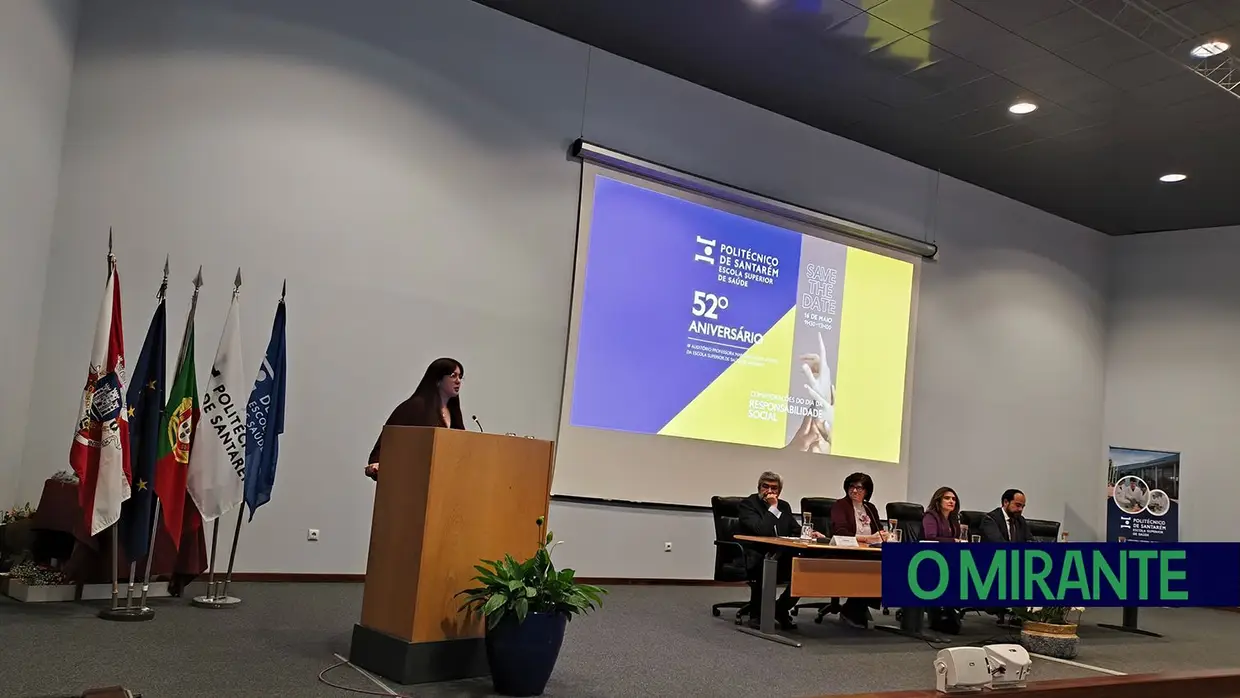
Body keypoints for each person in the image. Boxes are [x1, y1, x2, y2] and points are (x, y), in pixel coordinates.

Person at [737, 471, 825, 630]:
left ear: (780, 491)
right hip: (755, 553)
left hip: (781, 553)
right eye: (765, 486)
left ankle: (781, 608)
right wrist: (772, 508)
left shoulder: (784, 506)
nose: (769, 491)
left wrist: (809, 533)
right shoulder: (748, 504)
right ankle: (757, 615)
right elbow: (761, 530)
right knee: (765, 563)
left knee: (804, 567)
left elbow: (794, 529)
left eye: (774, 488)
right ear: (759, 487)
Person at [364, 358, 465, 481]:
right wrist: (377, 464)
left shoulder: (454, 412)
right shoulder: (414, 407)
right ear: (438, 379)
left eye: (460, 377)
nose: (458, 381)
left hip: (444, 480)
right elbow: (388, 442)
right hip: (413, 478)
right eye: (453, 376)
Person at [828, 472, 887, 628]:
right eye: (851, 486)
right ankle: (854, 607)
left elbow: (878, 529)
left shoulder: (870, 507)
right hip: (847, 551)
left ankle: (858, 604)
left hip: (868, 551)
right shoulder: (840, 505)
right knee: (870, 567)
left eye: (859, 488)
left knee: (888, 563)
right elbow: (840, 532)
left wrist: (884, 535)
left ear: (866, 491)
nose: (854, 490)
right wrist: (868, 539)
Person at [922, 486, 964, 634]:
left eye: (953, 499)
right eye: (947, 498)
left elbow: (958, 539)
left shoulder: (953, 519)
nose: (951, 501)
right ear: (938, 500)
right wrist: (953, 541)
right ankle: (941, 614)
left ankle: (950, 611)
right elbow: (930, 537)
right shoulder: (930, 516)